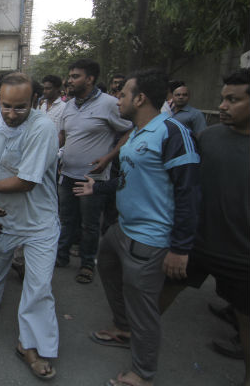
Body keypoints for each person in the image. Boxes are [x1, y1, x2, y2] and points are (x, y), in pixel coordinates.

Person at [74, 69, 200, 386]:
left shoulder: (172, 133)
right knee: (107, 265)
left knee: (143, 308)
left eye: (123, 94)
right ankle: (123, 328)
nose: (118, 99)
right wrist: (98, 189)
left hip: (151, 240)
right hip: (123, 229)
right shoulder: (139, 131)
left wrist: (180, 249)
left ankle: (143, 374)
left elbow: (189, 194)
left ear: (140, 98)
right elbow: (131, 177)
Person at [0, 72, 60, 380]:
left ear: (34, 101)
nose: (11, 114)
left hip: (39, 220)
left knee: (39, 285)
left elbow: (27, 181)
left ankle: (29, 344)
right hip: (1, 213)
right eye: (6, 105)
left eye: (20, 107)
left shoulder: (44, 128)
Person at [159, 68, 250, 386]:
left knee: (245, 317)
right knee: (162, 294)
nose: (223, 106)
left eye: (233, 100)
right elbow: (186, 188)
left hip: (242, 256)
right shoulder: (208, 138)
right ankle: (134, 335)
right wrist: (178, 241)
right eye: (223, 99)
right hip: (195, 244)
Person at [56, 59, 133, 284]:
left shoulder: (109, 104)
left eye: (75, 76)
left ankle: (88, 264)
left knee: (89, 224)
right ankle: (61, 257)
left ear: (90, 79)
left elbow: (129, 131)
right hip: (67, 174)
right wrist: (57, 154)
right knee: (66, 219)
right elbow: (63, 135)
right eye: (69, 76)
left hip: (93, 178)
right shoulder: (68, 105)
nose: (70, 80)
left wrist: (110, 157)